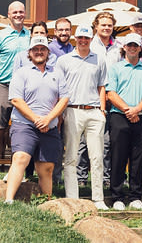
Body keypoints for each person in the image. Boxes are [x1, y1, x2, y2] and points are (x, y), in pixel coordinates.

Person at [4, 35, 69, 203]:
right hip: (24, 124)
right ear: (29, 53)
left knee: (46, 168)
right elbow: (16, 99)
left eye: (42, 49)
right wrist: (36, 119)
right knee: (20, 158)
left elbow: (64, 99)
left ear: (48, 52)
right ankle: (9, 200)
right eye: (35, 50)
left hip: (50, 126)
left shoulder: (57, 73)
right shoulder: (21, 73)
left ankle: (45, 202)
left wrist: (48, 119)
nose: (39, 52)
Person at [59, 24, 107, 209]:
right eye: (80, 38)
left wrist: (102, 110)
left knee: (97, 157)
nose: (83, 41)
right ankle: (72, 197)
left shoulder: (99, 59)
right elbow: (60, 88)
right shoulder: (64, 60)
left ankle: (98, 198)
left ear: (90, 39)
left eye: (86, 38)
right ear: (75, 38)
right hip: (72, 110)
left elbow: (102, 86)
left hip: (94, 110)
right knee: (71, 156)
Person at [106, 33, 142, 210]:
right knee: (118, 157)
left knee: (138, 158)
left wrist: (136, 110)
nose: (132, 48)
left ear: (141, 48)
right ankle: (117, 197)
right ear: (124, 47)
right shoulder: (115, 68)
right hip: (119, 116)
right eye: (130, 45)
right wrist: (128, 110)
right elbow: (110, 93)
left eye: (136, 45)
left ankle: (135, 196)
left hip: (141, 116)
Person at [0, 0, 29, 178]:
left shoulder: (31, 36)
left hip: (26, 88)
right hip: (5, 85)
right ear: (8, 14)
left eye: (21, 12)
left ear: (25, 13)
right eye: (15, 12)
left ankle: (15, 172)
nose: (18, 15)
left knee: (21, 129)